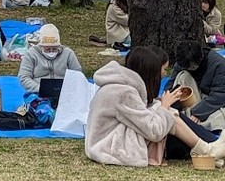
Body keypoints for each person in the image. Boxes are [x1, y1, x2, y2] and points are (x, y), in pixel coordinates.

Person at [85, 45, 225, 166]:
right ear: (150, 73)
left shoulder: (120, 87)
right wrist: (164, 106)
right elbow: (154, 131)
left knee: (167, 112)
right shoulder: (125, 94)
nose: (164, 74)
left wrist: (161, 104)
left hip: (110, 140)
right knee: (169, 115)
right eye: (162, 70)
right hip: (113, 147)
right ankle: (209, 148)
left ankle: (209, 147)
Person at [170, 40, 225, 131]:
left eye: (192, 67)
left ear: (200, 59)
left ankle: (189, 119)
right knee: (182, 75)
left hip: (211, 99)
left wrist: (198, 113)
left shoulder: (219, 65)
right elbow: (172, 83)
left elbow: (219, 95)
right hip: (195, 96)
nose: (189, 69)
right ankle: (186, 117)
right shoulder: (183, 62)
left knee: (219, 117)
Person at [17, 24, 81, 94]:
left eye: (54, 49)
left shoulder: (68, 53)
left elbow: (77, 75)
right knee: (41, 105)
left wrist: (68, 88)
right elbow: (24, 77)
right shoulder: (31, 54)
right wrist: (39, 88)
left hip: (64, 92)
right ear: (41, 46)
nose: (51, 51)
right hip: (37, 92)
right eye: (47, 49)